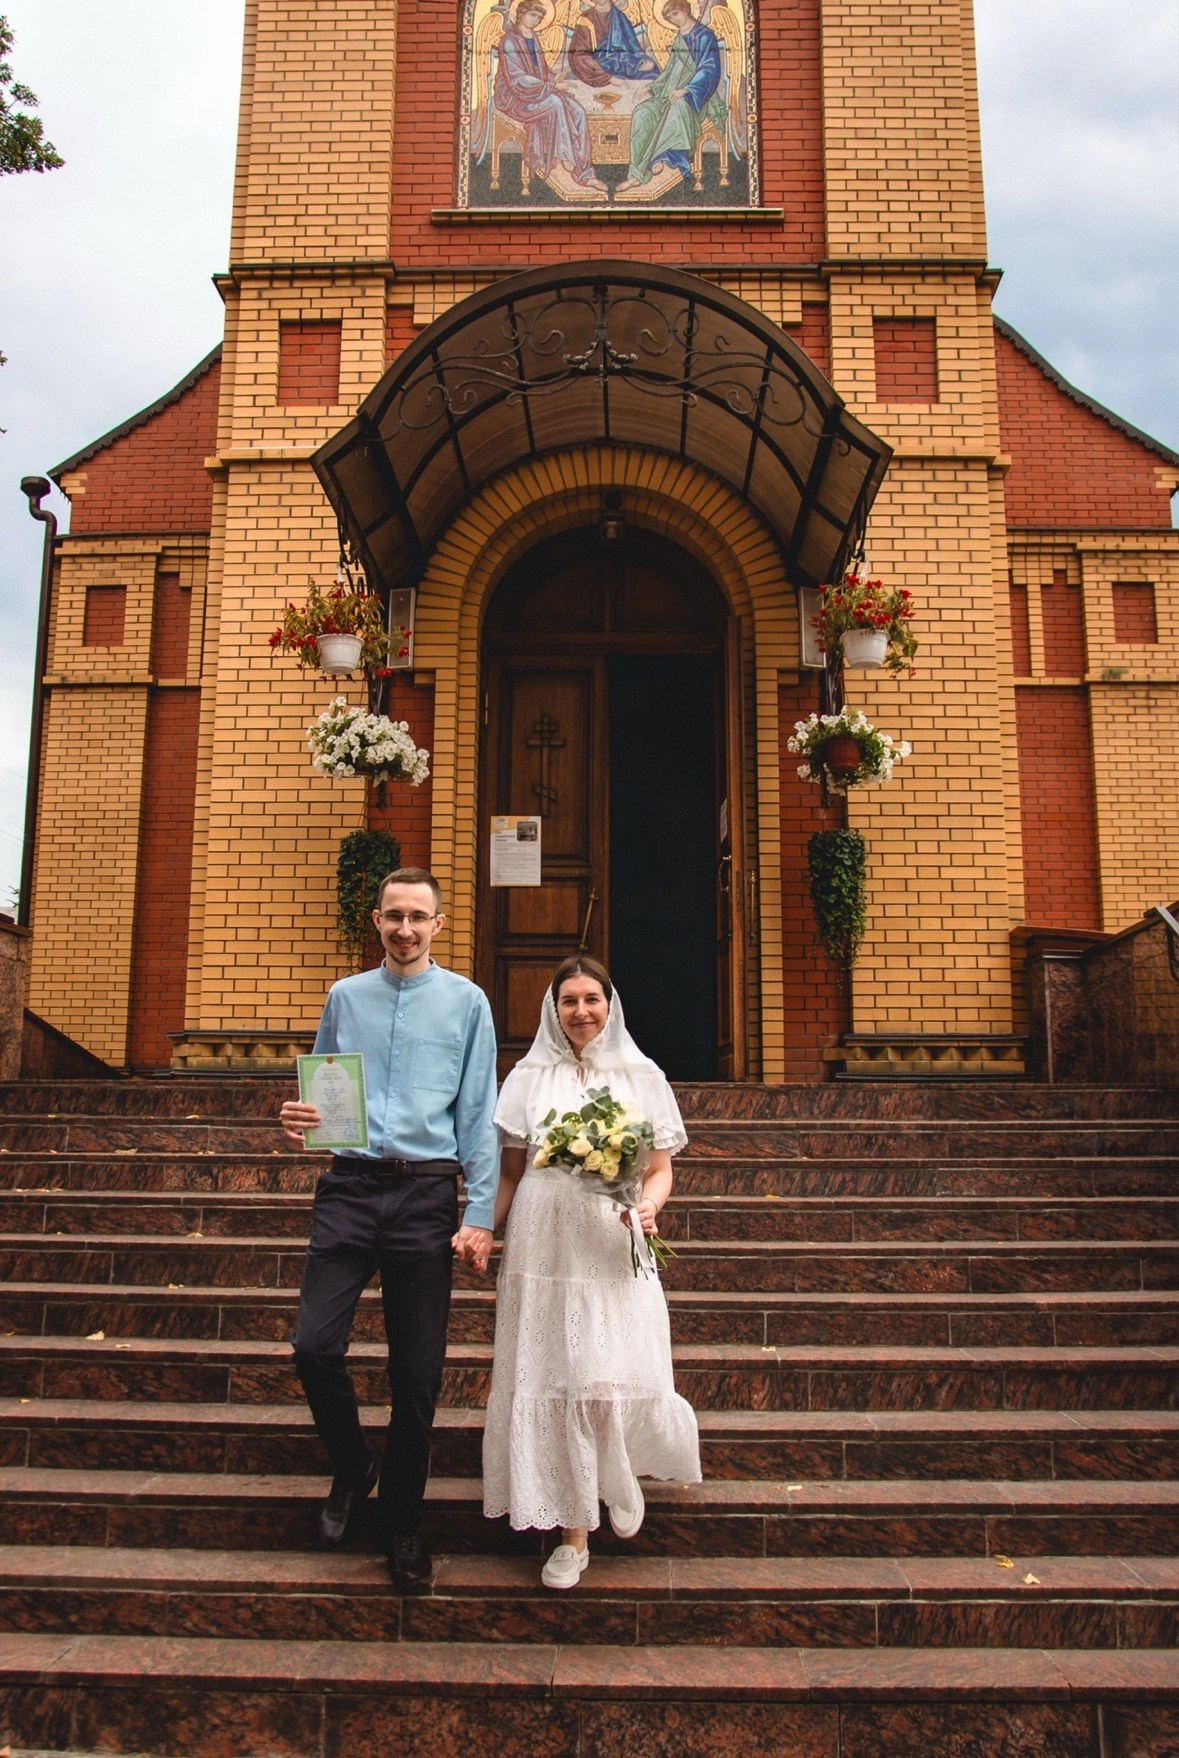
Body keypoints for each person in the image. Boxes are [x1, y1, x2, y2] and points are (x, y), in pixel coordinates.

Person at [280, 867, 498, 1591]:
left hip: (425, 1194)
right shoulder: (344, 997)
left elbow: (478, 1112)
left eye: (418, 917)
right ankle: (353, 1466)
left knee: (417, 1373)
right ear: (376, 920)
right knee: (313, 1346)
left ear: (438, 924)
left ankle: (402, 1523)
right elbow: (323, 1088)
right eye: (394, 915)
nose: (405, 928)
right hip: (348, 1187)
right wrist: (300, 1117)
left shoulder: (467, 1003)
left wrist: (478, 1213)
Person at [482, 955, 701, 1589]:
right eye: (569, 1001)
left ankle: (618, 1477)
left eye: (592, 999)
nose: (581, 1011)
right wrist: (481, 1229)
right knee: (555, 1373)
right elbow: (510, 1173)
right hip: (543, 1240)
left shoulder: (642, 1075)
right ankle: (573, 1532)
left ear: (610, 1005)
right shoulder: (528, 1078)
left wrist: (649, 1206)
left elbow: (659, 1169)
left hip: (611, 1238)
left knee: (608, 1368)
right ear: (553, 1010)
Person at [494, 0, 609, 202]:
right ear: (520, 14)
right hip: (515, 98)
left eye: (539, 17)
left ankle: (585, 172)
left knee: (577, 109)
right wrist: (552, 86)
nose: (536, 20)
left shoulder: (533, 38)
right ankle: (566, 160)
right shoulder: (509, 41)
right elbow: (518, 79)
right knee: (556, 103)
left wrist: (554, 78)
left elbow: (541, 71)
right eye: (532, 15)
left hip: (539, 91)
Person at [616, 0, 723, 201]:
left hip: (696, 96)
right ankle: (636, 172)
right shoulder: (679, 37)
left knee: (677, 108)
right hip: (668, 93)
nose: (673, 20)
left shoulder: (705, 36)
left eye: (675, 14)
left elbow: (709, 69)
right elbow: (670, 71)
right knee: (643, 111)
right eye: (670, 18)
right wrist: (651, 87)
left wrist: (686, 90)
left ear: (685, 10)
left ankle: (662, 158)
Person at [568, 0, 658, 87]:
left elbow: (632, 48)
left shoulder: (621, 17)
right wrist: (608, 77)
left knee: (651, 71)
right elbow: (578, 56)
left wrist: (641, 61)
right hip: (601, 68)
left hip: (623, 64)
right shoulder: (586, 20)